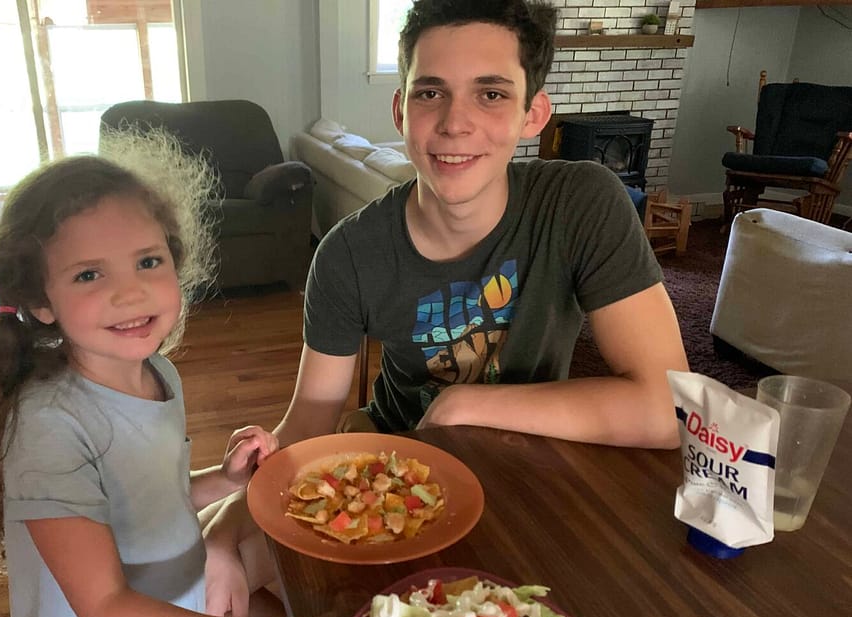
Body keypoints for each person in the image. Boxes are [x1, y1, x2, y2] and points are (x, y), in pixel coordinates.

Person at [0, 134, 358, 617]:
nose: (131, 292)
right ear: (40, 301)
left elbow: (148, 497)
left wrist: (222, 482)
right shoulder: (48, 427)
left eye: (148, 261)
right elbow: (106, 607)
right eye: (89, 274)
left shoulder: (158, 374)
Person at [283, 0, 689, 449]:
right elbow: (306, 426)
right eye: (430, 93)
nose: (455, 124)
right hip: (401, 457)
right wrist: (235, 480)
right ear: (401, 111)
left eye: (491, 94)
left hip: (535, 458)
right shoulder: (348, 253)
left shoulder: (581, 203)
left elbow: (671, 411)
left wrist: (464, 405)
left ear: (533, 114)